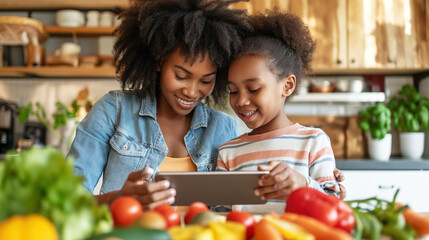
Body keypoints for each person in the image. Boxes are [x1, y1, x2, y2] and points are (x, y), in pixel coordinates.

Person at [67, 0, 252, 209]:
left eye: (205, 81)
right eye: (181, 76)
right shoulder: (114, 111)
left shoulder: (223, 127)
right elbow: (67, 200)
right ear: (158, 61)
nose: (191, 92)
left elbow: (227, 213)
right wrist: (116, 200)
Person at [216, 9, 342, 213]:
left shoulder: (313, 142)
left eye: (254, 89)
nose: (241, 100)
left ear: (287, 85)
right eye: (233, 91)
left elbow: (334, 208)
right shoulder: (228, 152)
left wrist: (302, 184)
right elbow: (219, 217)